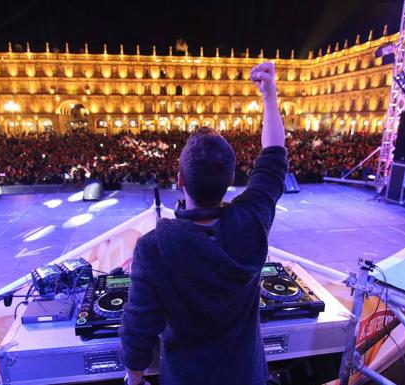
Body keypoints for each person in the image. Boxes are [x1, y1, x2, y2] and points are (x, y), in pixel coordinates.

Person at [119, 62, 288, 385]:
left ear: (180, 179)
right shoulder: (252, 222)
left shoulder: (154, 248)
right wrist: (269, 95)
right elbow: (274, 156)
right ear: (230, 179)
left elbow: (138, 328)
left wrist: (134, 380)